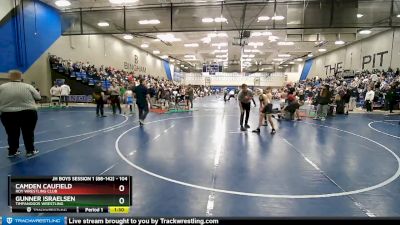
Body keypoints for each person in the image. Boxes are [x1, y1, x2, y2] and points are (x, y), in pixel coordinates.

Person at [0, 70, 41, 158]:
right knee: (28, 132)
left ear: (9, 77)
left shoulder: (2, 87)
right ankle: (30, 150)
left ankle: (12, 151)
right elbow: (38, 97)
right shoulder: (28, 86)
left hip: (8, 114)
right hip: (28, 113)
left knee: (11, 133)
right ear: (21, 77)